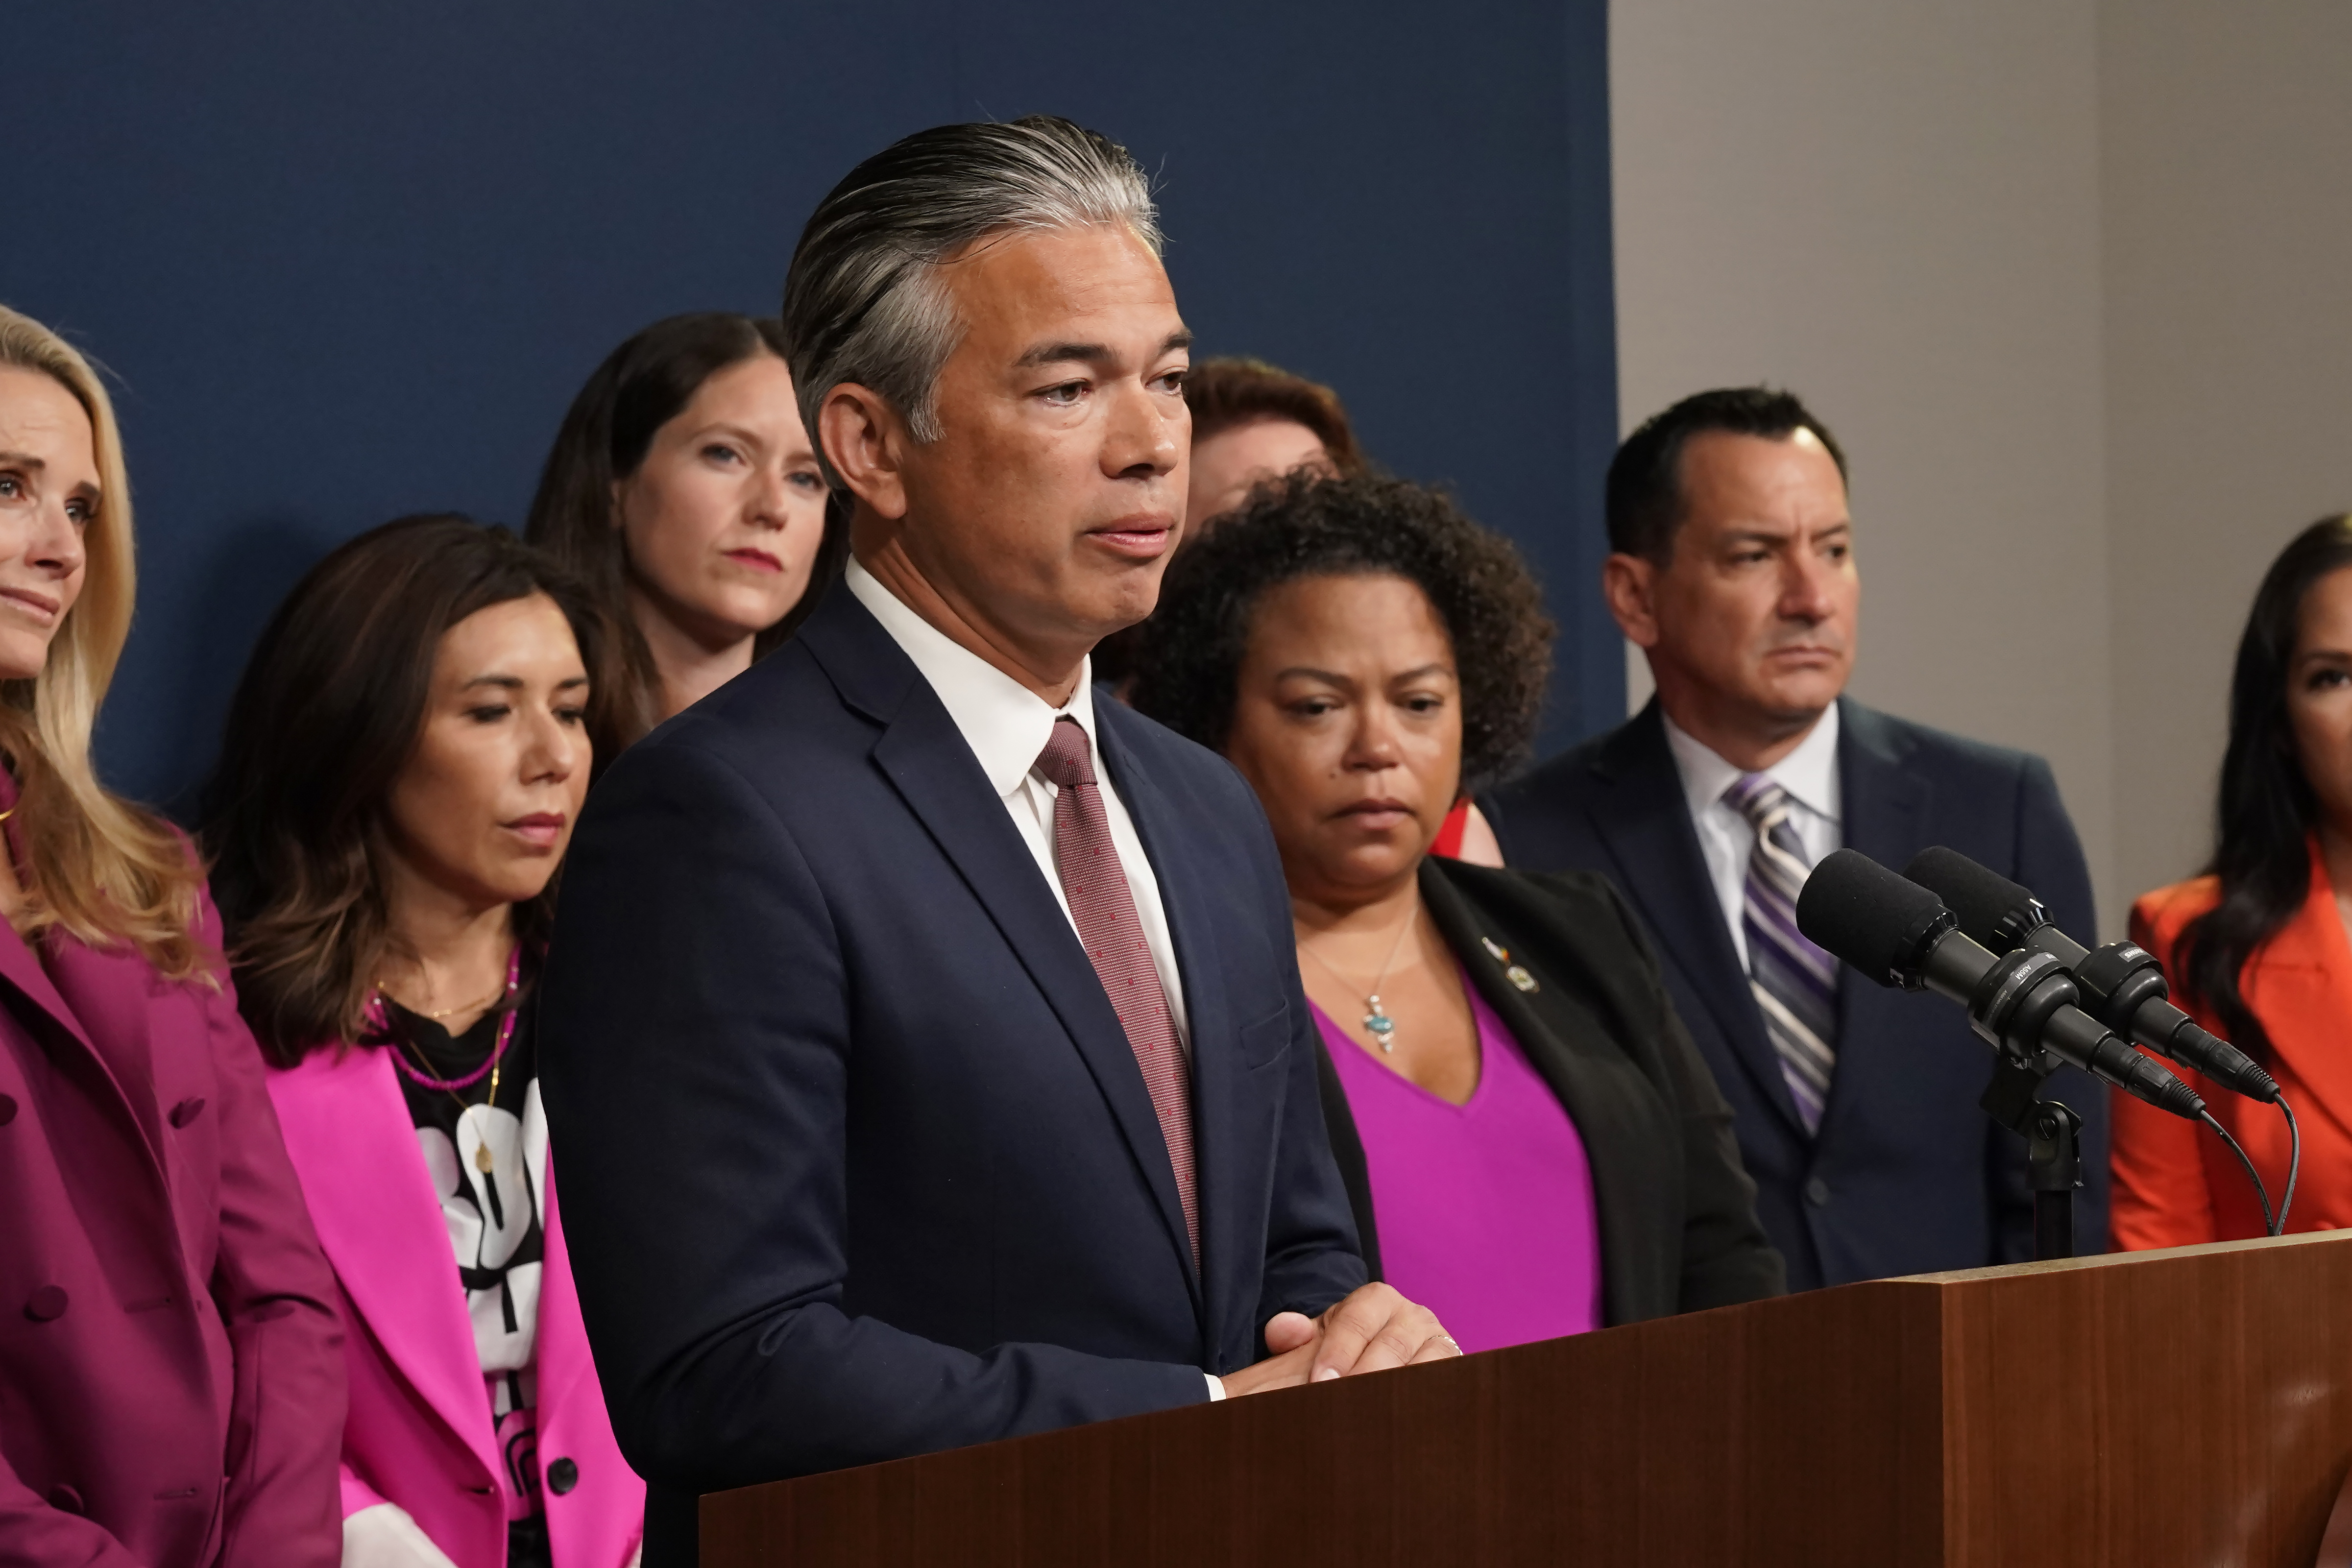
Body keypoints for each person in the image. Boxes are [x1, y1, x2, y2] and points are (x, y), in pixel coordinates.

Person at [537, 117, 1456, 1564]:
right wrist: (1200, 1407)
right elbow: (724, 1359)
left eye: (1162, 377)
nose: (1155, 439)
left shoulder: (1205, 805)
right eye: (1068, 385)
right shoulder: (718, 813)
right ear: (865, 443)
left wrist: (1349, 1330)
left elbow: (1292, 1234)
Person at [1129, 472, 1784, 1341]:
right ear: (1216, 725)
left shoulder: (1575, 933)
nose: (1377, 747)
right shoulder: (1167, 983)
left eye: (1419, 703)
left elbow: (1722, 1256)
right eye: (1318, 706)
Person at [1483, 386, 2105, 1289]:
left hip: (1964, 1380)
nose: (1812, 598)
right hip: (1695, 1393)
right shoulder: (1532, 836)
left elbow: (2059, 1168)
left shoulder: (1996, 807)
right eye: (1754, 556)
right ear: (1634, 595)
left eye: (1836, 551)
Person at [203, 516, 644, 1568]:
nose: (552, 759)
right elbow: (208, 1376)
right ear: (360, 730)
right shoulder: (222, 1030)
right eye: (491, 711)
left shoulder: (640, 1003)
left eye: (573, 713)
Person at [0, 304, 344, 1563]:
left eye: (81, 509)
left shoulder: (144, 872)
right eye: (8, 487)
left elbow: (284, 1289)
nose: (57, 549)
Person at [2112, 515, 2352, 1247]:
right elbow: (2161, 1278)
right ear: (2279, 720)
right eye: (2333, 677)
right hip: (2284, 1359)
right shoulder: (2185, 940)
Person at [526, 312, 849, 746]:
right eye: (725, 454)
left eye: (805, 478)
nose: (772, 508)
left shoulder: (849, 764)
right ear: (614, 484)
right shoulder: (533, 757)